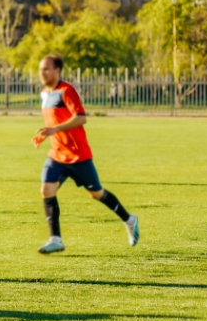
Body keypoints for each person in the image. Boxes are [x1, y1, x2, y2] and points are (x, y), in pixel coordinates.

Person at [32, 54, 139, 254]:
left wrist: (54, 130)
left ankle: (130, 220)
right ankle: (56, 239)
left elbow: (81, 117)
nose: (42, 73)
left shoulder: (67, 91)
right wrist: (46, 134)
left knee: (96, 193)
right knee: (46, 190)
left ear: (57, 70)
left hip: (78, 155)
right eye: (40, 69)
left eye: (46, 69)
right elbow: (53, 122)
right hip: (57, 154)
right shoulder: (45, 94)